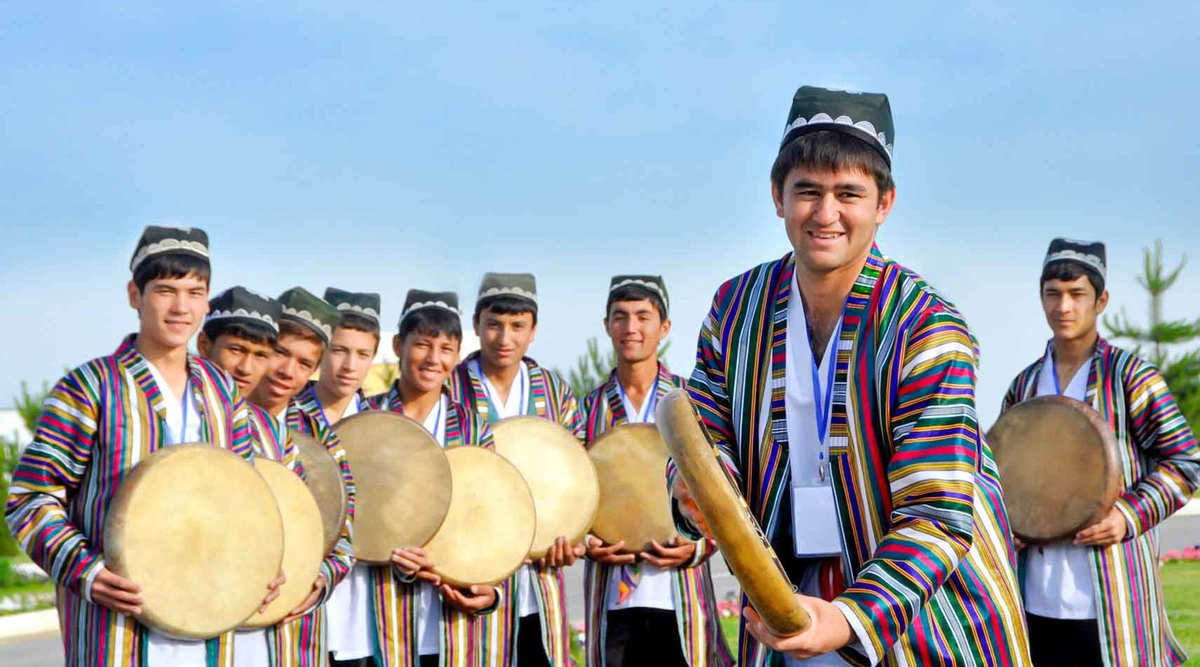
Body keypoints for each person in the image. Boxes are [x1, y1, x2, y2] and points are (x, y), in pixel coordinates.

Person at [671, 86, 1030, 665]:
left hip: (923, 618)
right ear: (776, 196)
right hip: (786, 601)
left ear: (884, 202)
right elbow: (704, 431)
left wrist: (849, 616)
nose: (825, 213)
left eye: (849, 194)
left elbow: (936, 510)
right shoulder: (735, 308)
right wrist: (694, 490)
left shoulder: (927, 326)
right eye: (807, 191)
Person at [5, 226, 276, 666]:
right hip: (116, 637)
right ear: (135, 295)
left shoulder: (223, 392)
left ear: (207, 302)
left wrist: (263, 564)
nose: (181, 307)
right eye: (165, 290)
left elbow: (245, 501)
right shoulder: (89, 387)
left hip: (213, 633)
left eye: (195, 291)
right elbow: (29, 500)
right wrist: (87, 572)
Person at [1001, 238, 1200, 667]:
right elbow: (1002, 476)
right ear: (1041, 298)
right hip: (1034, 592)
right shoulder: (1024, 387)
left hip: (1111, 595)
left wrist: (1125, 518)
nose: (1064, 306)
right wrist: (1009, 520)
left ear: (1101, 299)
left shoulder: (1131, 377)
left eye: (1077, 294)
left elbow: (1185, 463)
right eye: (1053, 293)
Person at [581, 275, 732, 667]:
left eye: (643, 317)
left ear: (663, 327)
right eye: (620, 316)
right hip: (613, 599)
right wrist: (585, 540)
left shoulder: (691, 403)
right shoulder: (585, 410)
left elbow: (728, 493)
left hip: (680, 597)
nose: (631, 328)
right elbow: (569, 497)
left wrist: (698, 546)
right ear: (607, 326)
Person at [446, 272, 583, 667]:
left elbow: (575, 478)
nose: (505, 338)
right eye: (494, 324)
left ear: (533, 330)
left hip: (540, 582)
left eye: (517, 325)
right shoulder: (450, 390)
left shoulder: (555, 392)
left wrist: (572, 536)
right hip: (471, 573)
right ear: (476, 325)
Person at [362, 290, 501, 667]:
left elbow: (490, 518)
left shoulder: (474, 429)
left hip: (453, 612)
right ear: (397, 345)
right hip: (380, 606)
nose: (433, 359)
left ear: (457, 355)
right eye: (422, 345)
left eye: (446, 348)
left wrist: (490, 589)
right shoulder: (366, 419)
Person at [247, 287, 358, 667]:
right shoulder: (214, 415)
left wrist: (322, 579)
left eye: (304, 363)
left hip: (295, 634)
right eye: (280, 353)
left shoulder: (322, 436)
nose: (288, 372)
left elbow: (346, 530)